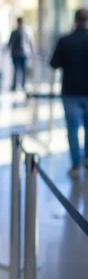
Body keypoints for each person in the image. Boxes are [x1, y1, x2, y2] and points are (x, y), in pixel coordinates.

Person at [50, 9, 88, 178]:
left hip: (71, 91)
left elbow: (54, 63)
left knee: (72, 130)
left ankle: (75, 164)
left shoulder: (65, 40)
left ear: (75, 21)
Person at [7, 17, 33, 92]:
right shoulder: (15, 32)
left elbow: (30, 43)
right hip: (16, 54)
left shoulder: (26, 32)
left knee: (23, 70)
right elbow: (10, 42)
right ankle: (15, 85)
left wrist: (31, 51)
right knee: (16, 70)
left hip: (23, 54)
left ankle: (22, 85)